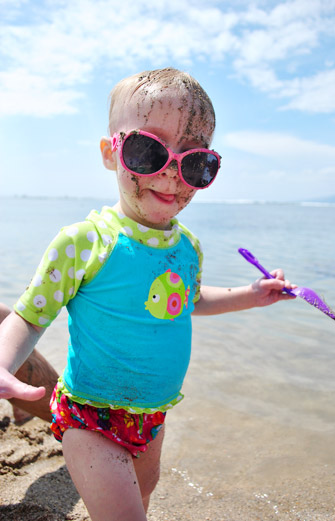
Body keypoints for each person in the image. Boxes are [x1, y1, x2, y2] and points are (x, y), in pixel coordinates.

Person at [0, 67, 295, 521]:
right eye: (148, 150)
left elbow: (189, 303)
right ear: (110, 153)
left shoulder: (187, 247)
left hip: (153, 415)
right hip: (91, 417)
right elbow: (30, 316)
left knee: (142, 497)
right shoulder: (85, 242)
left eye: (195, 162)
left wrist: (252, 295)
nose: (172, 174)